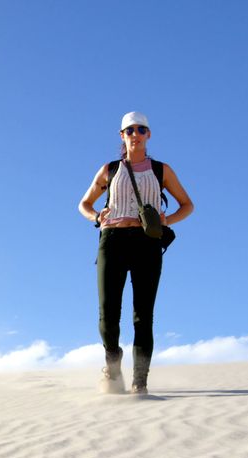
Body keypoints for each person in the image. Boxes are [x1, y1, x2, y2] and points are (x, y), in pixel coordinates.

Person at [77, 111, 194, 395]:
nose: (135, 135)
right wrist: (96, 216)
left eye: (141, 130)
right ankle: (113, 364)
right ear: (122, 136)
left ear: (148, 135)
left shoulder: (161, 170)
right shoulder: (110, 169)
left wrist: (167, 220)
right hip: (112, 239)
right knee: (108, 313)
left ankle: (140, 381)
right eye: (130, 130)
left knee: (143, 315)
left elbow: (187, 205)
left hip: (146, 243)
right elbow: (84, 203)